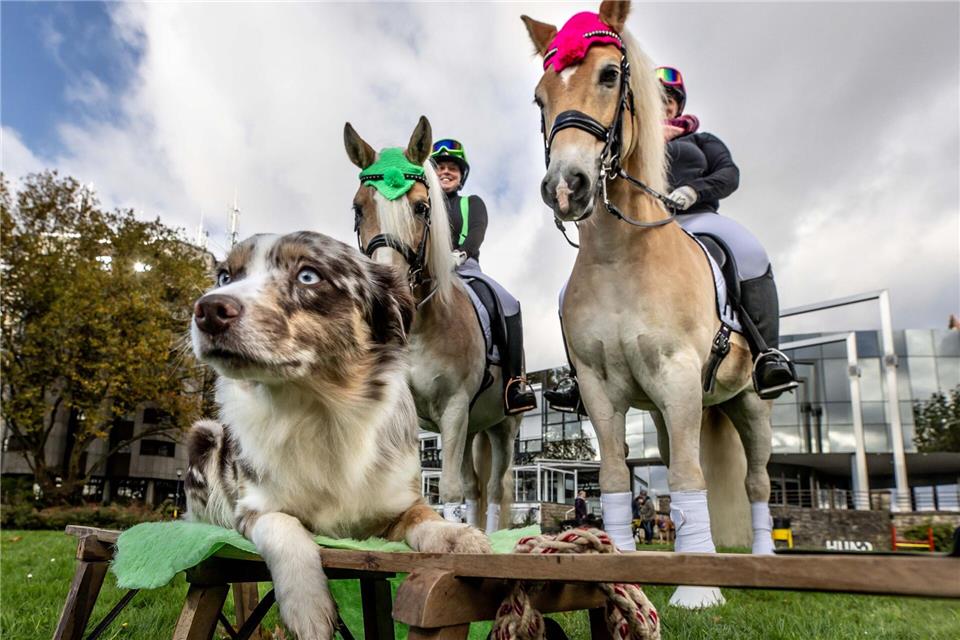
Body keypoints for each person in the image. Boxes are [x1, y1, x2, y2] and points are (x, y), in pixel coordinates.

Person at [544, 67, 797, 411]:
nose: (664, 105)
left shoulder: (702, 141)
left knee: (749, 252)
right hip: (641, 229)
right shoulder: (628, 145)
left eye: (670, 99)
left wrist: (695, 190)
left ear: (679, 105)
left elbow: (728, 174)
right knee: (567, 292)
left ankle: (766, 354)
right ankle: (581, 378)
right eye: (657, 98)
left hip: (698, 219)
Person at [431, 139, 537, 414]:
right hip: (428, 273)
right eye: (439, 167)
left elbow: (475, 234)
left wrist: (459, 254)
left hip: (464, 269)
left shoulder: (471, 203)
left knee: (509, 303)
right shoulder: (423, 207)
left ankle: (514, 383)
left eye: (452, 167)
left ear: (461, 174)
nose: (445, 171)